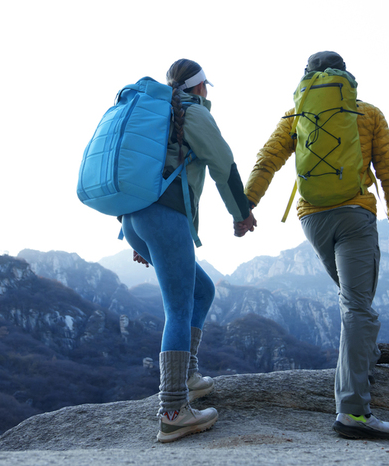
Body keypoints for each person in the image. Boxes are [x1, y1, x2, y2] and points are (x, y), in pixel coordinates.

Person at [238, 51, 389, 439]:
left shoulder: (296, 114)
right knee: (358, 308)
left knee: (353, 301)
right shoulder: (369, 114)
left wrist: (245, 205)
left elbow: (268, 158)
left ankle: (362, 358)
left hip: (311, 219)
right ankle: (354, 412)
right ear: (346, 79)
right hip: (353, 215)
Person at [121, 59, 256, 443]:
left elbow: (134, 169)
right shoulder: (192, 113)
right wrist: (242, 213)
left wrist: (137, 236)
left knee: (203, 291)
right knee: (178, 308)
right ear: (200, 87)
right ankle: (174, 410)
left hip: (135, 217)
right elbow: (223, 165)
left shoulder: (154, 113)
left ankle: (188, 377)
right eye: (206, 87)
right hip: (165, 217)